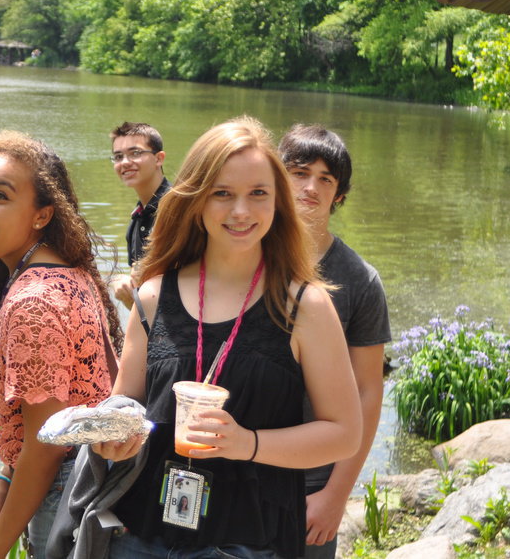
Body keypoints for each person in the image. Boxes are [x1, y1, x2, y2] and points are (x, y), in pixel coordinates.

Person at [94, 117, 361, 559]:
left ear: (278, 203)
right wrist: (112, 435)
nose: (241, 211)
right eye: (222, 194)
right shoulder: (154, 295)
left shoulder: (305, 306)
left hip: (248, 542)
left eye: (258, 193)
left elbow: (344, 434)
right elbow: (126, 402)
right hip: (140, 537)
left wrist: (247, 444)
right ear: (195, 200)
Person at [0, 131, 123, 559]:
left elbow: (48, 447)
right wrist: (4, 483)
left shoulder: (34, 302)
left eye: (0, 195)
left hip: (64, 496)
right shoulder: (69, 274)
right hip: (87, 486)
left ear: (41, 215)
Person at [279, 124, 390, 559]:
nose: (311, 187)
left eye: (325, 179)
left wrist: (336, 496)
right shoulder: (245, 254)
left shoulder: (360, 281)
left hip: (312, 481)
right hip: (238, 464)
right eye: (300, 172)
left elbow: (368, 391)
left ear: (339, 194)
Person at [109, 122, 170, 309]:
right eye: (118, 156)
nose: (125, 163)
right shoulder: (137, 219)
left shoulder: (178, 211)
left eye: (135, 153)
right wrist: (127, 291)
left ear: (159, 159)